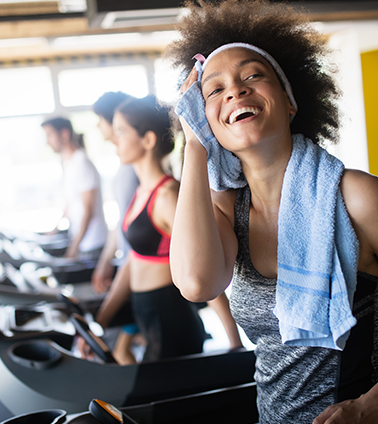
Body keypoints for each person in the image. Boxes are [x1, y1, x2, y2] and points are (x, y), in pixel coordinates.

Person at [166, 1, 378, 423]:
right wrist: (193, 146)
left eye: (253, 75)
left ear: (290, 101)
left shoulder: (355, 196)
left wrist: (367, 406)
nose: (235, 90)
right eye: (214, 89)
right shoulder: (225, 211)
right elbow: (196, 283)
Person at [95, 95, 208, 363]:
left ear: (147, 140)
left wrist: (235, 344)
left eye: (122, 131)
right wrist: (101, 319)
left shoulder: (168, 195)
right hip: (147, 313)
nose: (114, 138)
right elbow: (135, 259)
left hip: (170, 320)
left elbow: (201, 270)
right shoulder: (141, 191)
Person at [92, 92, 140, 364]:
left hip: (137, 272)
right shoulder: (123, 167)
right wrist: (105, 262)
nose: (99, 127)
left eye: (100, 120)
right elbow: (121, 223)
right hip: (127, 270)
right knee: (122, 350)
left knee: (121, 350)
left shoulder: (135, 170)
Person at [42, 117, 108, 260]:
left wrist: (74, 248)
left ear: (64, 134)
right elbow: (71, 204)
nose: (47, 141)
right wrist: (54, 230)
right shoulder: (70, 163)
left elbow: (88, 211)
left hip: (93, 244)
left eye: (49, 135)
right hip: (83, 241)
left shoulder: (81, 163)